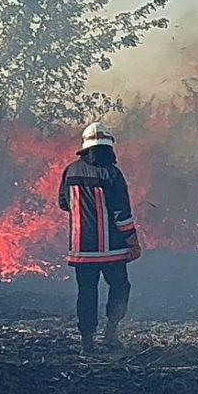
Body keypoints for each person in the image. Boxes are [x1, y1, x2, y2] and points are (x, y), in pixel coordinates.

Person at [57, 122, 142, 353]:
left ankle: (87, 343)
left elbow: (64, 203)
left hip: (82, 250)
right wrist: (132, 240)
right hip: (112, 249)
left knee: (86, 292)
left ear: (85, 148)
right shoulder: (112, 173)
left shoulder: (70, 171)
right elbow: (121, 212)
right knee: (120, 286)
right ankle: (111, 333)